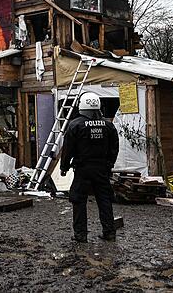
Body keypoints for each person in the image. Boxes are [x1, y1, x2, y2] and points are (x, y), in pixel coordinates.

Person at [60, 92, 119, 242]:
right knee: (104, 200)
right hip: (102, 169)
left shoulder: (75, 125)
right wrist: (109, 164)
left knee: (79, 201)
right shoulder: (108, 125)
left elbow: (68, 149)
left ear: (81, 106)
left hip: (82, 169)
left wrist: (64, 167)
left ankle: (81, 235)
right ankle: (109, 232)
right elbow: (114, 148)